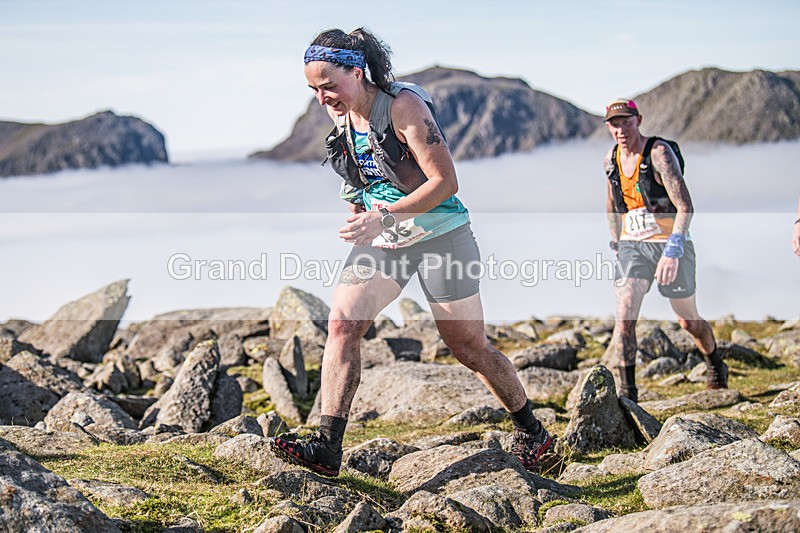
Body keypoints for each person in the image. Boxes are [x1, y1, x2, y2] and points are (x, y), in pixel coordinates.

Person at [271, 28, 554, 477]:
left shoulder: (403, 106)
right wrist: (361, 217)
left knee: (468, 347)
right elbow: (360, 176)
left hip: (443, 236)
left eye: (329, 86)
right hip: (390, 241)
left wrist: (383, 218)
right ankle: (327, 447)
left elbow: (445, 183)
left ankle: (535, 435)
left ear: (357, 72)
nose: (323, 98)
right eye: (314, 90)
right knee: (343, 324)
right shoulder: (342, 117)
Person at [603, 98, 727, 403]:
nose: (620, 129)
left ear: (639, 120)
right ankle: (628, 393)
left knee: (688, 321)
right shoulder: (610, 159)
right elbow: (611, 206)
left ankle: (714, 363)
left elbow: (685, 207)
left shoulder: (658, 154)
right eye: (614, 124)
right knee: (625, 315)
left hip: (671, 243)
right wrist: (618, 244)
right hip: (633, 245)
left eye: (626, 121)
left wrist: (673, 250)